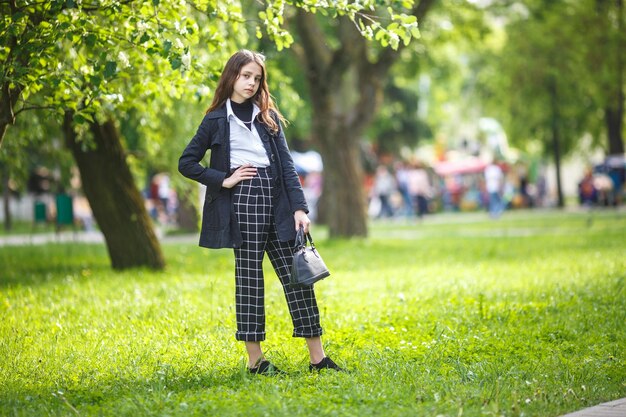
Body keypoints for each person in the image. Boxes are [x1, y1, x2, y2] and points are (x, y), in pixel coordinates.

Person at [178, 50, 343, 375]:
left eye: (256, 77)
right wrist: (224, 180)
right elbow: (187, 162)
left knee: (299, 278)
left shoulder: (267, 117)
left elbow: (287, 167)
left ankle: (318, 360)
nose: (251, 82)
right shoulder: (215, 119)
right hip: (243, 202)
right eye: (245, 76)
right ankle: (256, 361)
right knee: (250, 281)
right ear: (232, 77)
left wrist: (299, 208)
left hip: (279, 201)